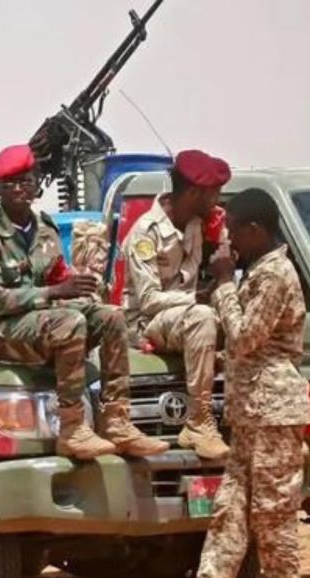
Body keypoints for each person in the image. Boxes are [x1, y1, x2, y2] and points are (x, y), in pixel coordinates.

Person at [148, 188, 310, 578]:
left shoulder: (275, 274)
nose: (229, 241)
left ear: (256, 230)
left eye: (234, 230)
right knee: (229, 513)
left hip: (274, 413)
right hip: (252, 414)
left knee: (272, 514)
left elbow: (243, 338)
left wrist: (222, 283)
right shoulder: (259, 272)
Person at [0, 144, 167, 459]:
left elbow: (59, 276)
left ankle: (117, 421)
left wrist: (82, 287)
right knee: (70, 322)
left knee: (111, 317)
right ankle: (72, 428)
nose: (18, 189)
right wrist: (53, 293)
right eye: (9, 184)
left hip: (39, 320)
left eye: (25, 181)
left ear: (37, 186)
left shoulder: (46, 229)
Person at [124, 149, 233, 460]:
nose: (218, 199)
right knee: (202, 317)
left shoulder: (198, 223)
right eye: (214, 192)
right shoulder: (146, 232)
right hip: (148, 323)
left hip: (184, 317)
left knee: (239, 318)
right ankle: (200, 421)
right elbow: (148, 300)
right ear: (194, 193)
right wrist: (194, 299)